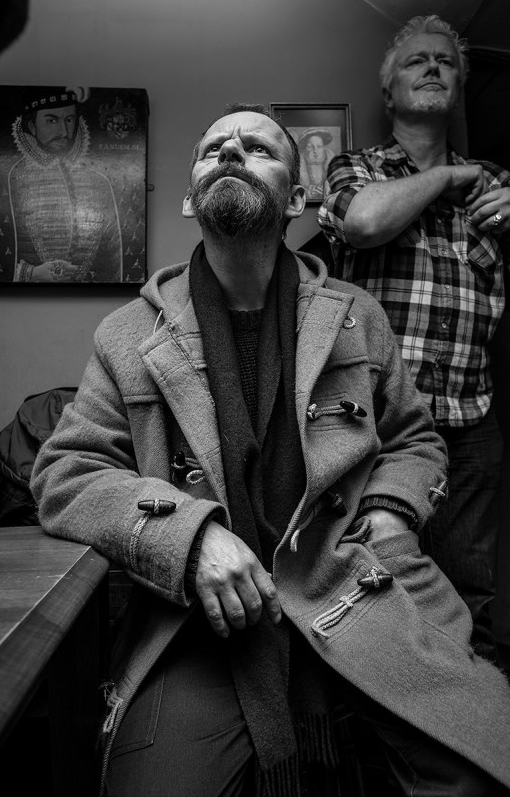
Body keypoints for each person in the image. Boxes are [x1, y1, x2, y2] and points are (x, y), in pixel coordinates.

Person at [31, 103, 510, 797]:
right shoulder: (127, 332)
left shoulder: (355, 314)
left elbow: (413, 439)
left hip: (356, 586)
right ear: (192, 199)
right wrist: (188, 540)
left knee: (478, 766)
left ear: (294, 197)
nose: (230, 151)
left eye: (256, 147)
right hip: (198, 623)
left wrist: (390, 511)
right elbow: (66, 473)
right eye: (212, 146)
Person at [317, 15, 510, 665]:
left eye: (444, 62)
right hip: (375, 427)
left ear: (456, 87)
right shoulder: (354, 169)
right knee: (370, 595)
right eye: (414, 62)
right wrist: (448, 178)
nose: (431, 68)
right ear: (387, 93)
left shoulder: (498, 189)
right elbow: (365, 222)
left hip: (468, 425)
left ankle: (473, 747)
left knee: (469, 605)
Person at [8, 86, 123, 282]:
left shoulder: (99, 181)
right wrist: (32, 273)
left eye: (69, 120)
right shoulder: (13, 177)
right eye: (51, 121)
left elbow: (114, 260)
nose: (63, 131)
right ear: (33, 127)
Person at [298, 128, 335, 200]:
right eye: (310, 147)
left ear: (323, 147)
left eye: (319, 146)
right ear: (305, 148)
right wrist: (307, 192)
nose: (315, 151)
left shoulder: (332, 161)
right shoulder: (299, 164)